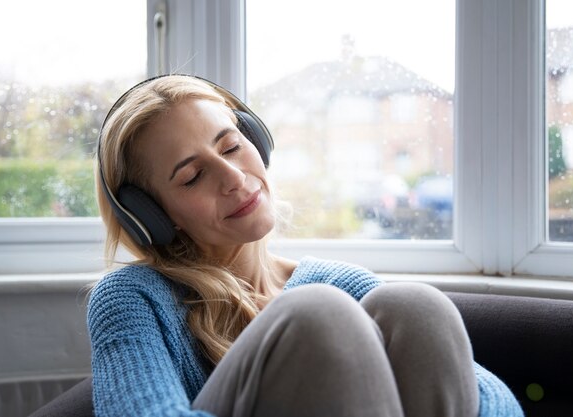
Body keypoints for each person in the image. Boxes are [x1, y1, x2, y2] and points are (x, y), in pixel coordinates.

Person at [90, 74, 524, 417]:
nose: (235, 178)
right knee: (319, 313)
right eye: (192, 176)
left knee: (416, 306)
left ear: (257, 142)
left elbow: (495, 402)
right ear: (153, 216)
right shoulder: (131, 299)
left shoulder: (340, 283)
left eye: (232, 146)